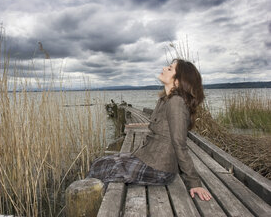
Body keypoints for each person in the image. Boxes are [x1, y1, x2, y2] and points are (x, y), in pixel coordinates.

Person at [87, 59, 212, 201]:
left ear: (177, 82)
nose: (164, 68)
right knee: (99, 162)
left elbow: (179, 144)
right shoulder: (165, 100)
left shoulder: (176, 103)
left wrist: (194, 182)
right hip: (148, 158)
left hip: (159, 169)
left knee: (101, 169)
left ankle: (103, 204)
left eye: (170, 69)